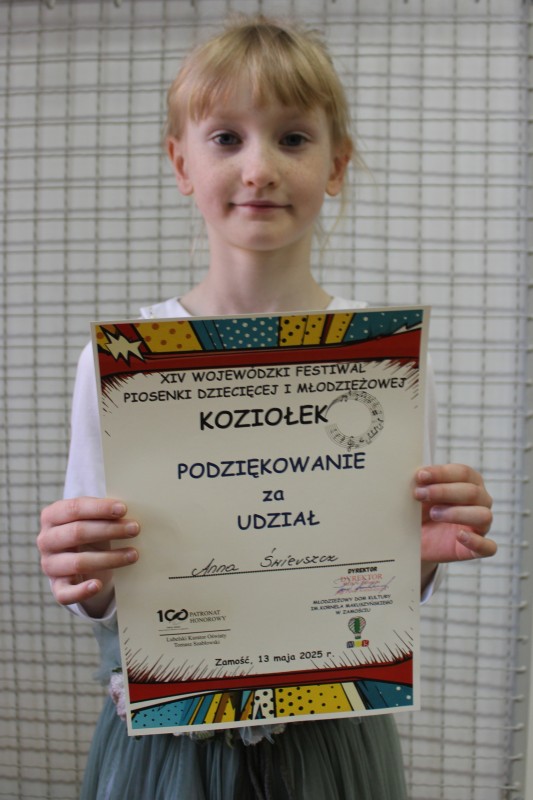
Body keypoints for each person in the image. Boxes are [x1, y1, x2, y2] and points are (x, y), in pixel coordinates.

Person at [37, 15, 496, 800]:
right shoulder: (122, 365)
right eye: (225, 138)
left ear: (335, 164)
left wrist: (422, 552)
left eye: (291, 138)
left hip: (333, 741)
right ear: (180, 163)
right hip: (168, 750)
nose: (259, 169)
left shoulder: (383, 361)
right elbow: (102, 593)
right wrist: (82, 572)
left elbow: (390, 575)